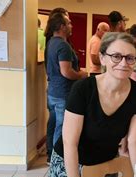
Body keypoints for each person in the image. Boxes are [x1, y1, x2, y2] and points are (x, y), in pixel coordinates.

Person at [47, 33, 136, 177]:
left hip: (105, 164)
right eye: (116, 56)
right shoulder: (83, 89)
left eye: (130, 58)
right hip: (70, 165)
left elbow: (135, 141)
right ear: (102, 58)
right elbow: (70, 142)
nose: (123, 63)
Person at [45, 12, 87, 165]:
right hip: (62, 92)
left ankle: (51, 155)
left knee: (54, 123)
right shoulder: (62, 45)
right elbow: (66, 71)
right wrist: (82, 75)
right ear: (62, 26)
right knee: (61, 127)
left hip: (52, 91)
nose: (71, 26)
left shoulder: (51, 42)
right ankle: (58, 158)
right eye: (69, 23)